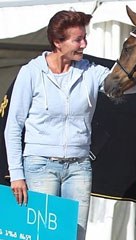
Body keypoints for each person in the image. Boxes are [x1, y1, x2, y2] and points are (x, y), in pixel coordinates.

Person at [4, 10, 110, 240]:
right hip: (40, 166)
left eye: (84, 37)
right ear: (57, 42)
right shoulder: (30, 73)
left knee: (75, 236)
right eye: (77, 39)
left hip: (79, 168)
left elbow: (121, 82)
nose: (84, 43)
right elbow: (13, 126)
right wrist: (17, 175)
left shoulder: (91, 71)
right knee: (46, 236)